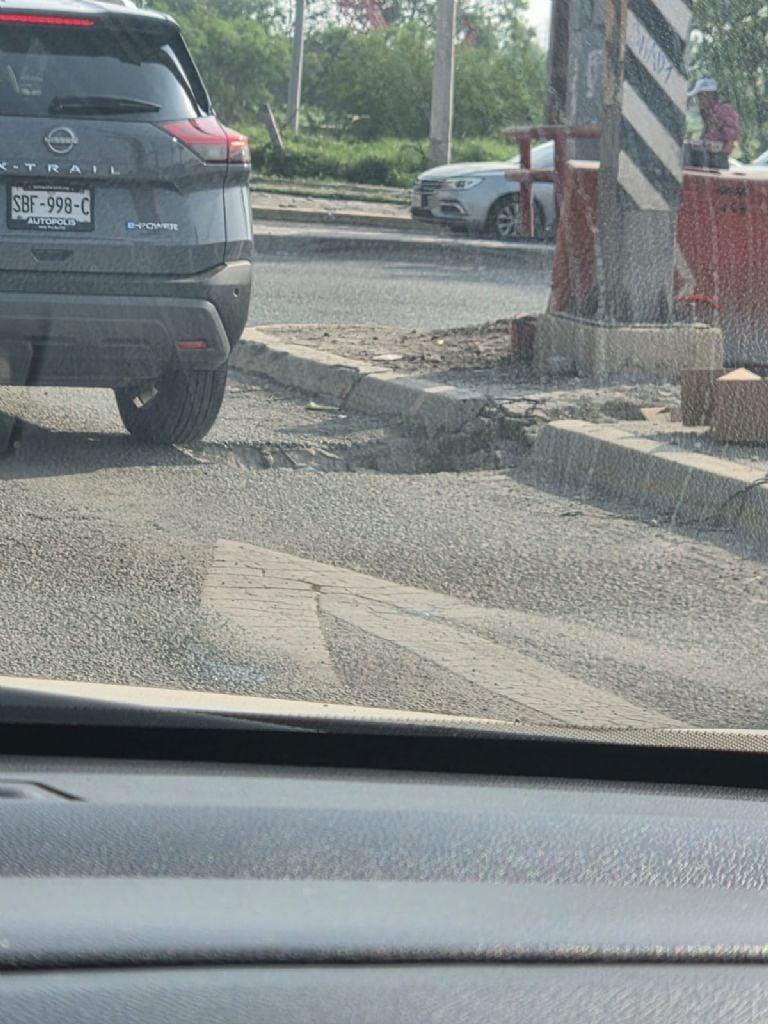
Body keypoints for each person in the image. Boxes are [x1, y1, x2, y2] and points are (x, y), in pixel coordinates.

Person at [688, 77, 741, 157]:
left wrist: (719, 150)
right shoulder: (706, 113)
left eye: (699, 96)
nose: (698, 100)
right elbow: (707, 135)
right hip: (707, 156)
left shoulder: (724, 110)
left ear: (708, 95)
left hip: (719, 158)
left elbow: (733, 137)